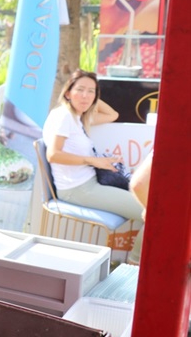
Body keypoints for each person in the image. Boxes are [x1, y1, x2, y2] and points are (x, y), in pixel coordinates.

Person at [42, 69, 144, 264]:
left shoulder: (77, 117)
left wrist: (90, 98)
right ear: (67, 92)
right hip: (77, 189)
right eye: (79, 90)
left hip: (89, 185)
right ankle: (134, 265)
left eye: (91, 91)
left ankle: (133, 262)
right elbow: (53, 155)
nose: (85, 96)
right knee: (151, 213)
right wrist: (93, 161)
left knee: (148, 206)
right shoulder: (63, 116)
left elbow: (112, 114)